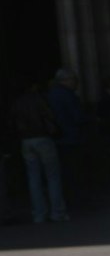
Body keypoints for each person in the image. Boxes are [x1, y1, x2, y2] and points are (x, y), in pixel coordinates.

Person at [12, 80, 67, 223]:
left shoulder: (17, 102)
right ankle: (57, 212)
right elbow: (50, 115)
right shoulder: (39, 99)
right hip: (42, 137)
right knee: (52, 176)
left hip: (26, 139)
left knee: (33, 178)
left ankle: (39, 213)